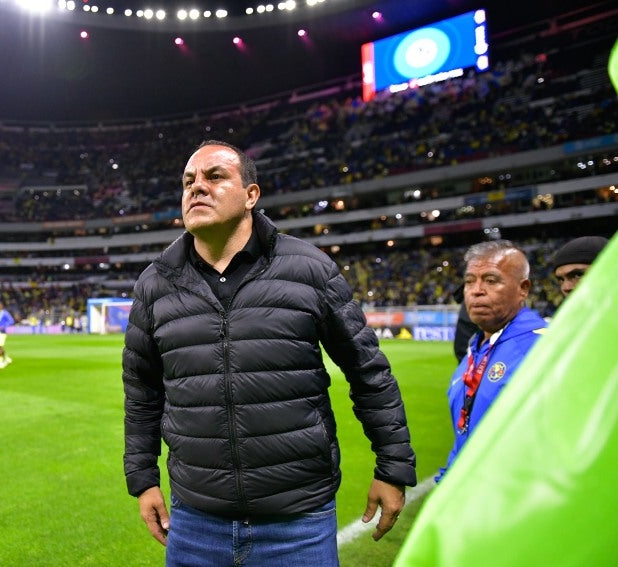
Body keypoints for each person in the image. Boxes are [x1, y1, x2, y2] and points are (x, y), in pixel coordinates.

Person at [122, 140, 416, 565]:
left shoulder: (309, 269)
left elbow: (367, 371)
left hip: (297, 522)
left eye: (215, 176)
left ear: (251, 196)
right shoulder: (154, 285)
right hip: (195, 521)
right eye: (188, 181)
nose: (196, 188)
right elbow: (142, 394)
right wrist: (143, 479)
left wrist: (392, 466)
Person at [437, 240, 547, 482]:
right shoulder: (475, 350)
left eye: (491, 280)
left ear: (523, 288)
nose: (476, 290)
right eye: (469, 281)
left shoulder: (543, 349)